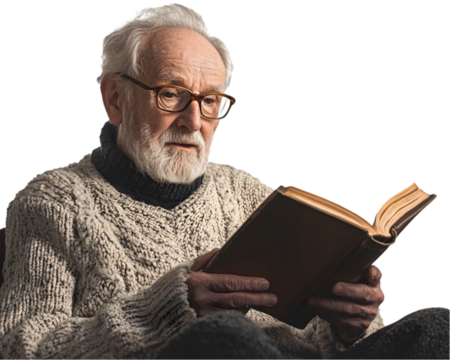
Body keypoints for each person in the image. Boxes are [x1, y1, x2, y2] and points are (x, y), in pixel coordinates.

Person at [0, 3, 448, 359]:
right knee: (224, 336)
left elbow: (329, 336)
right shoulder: (51, 201)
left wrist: (352, 325)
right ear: (115, 98)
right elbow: (22, 347)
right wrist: (169, 311)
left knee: (437, 325)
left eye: (211, 101)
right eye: (171, 93)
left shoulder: (247, 190)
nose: (194, 121)